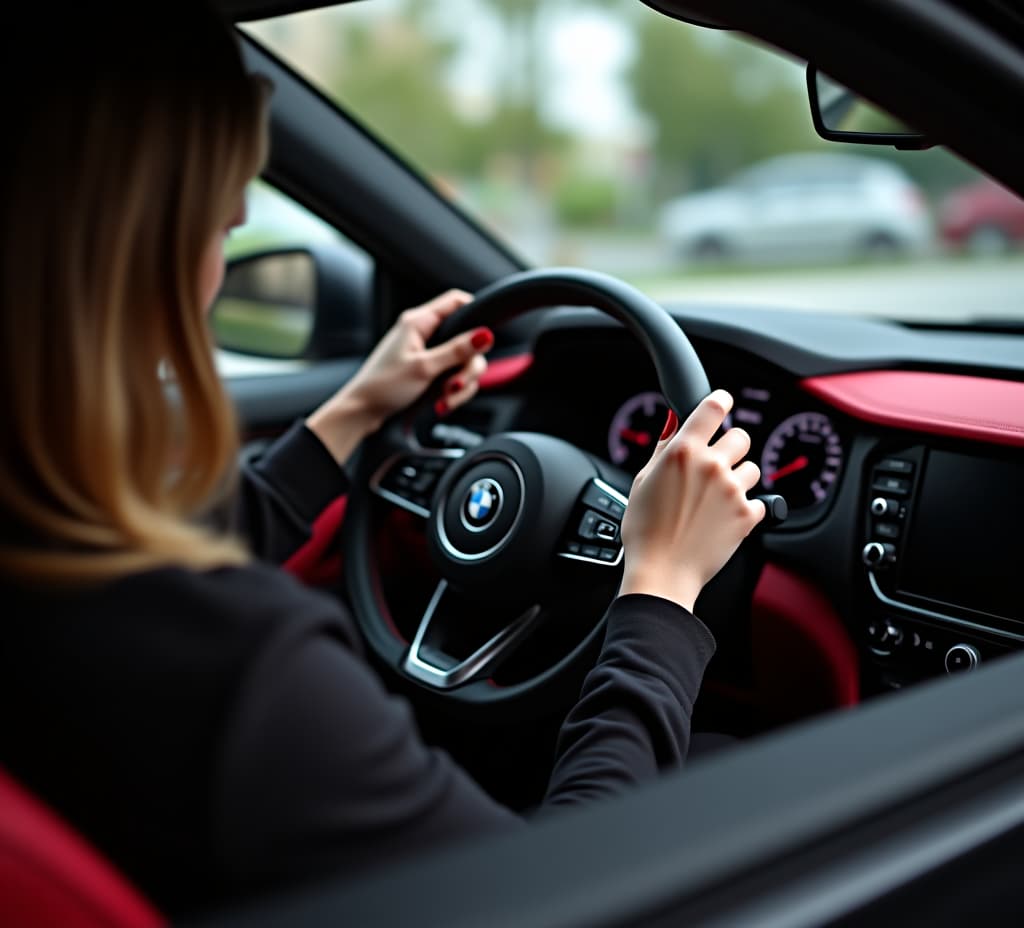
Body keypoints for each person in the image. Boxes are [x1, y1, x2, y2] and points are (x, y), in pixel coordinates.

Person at [0, 3, 765, 919]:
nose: (231, 238)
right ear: (131, 253)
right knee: (736, 769)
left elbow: (148, 564)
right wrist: (661, 591)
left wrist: (358, 410)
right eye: (218, 221)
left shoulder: (63, 571)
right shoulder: (247, 675)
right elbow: (568, 889)